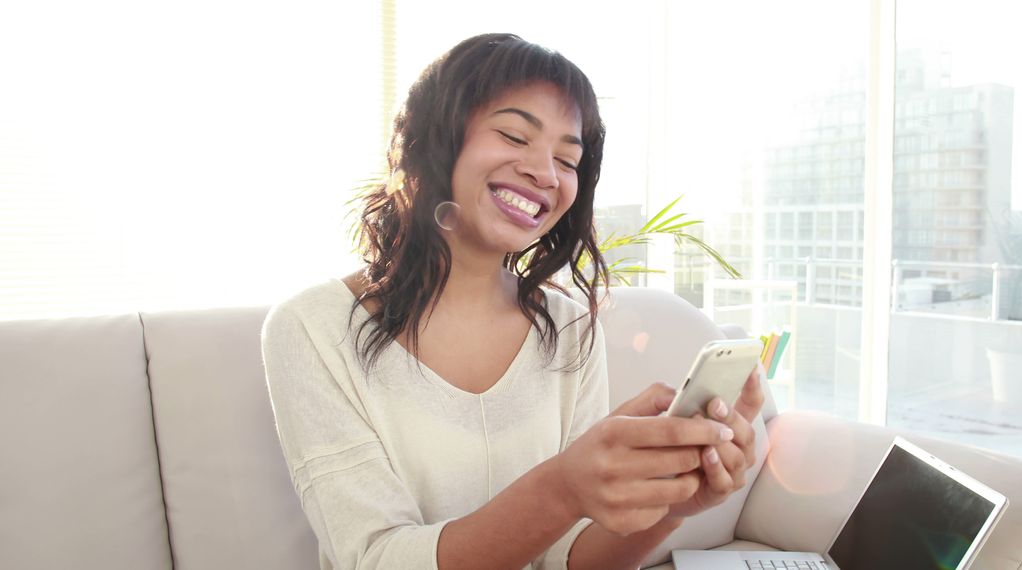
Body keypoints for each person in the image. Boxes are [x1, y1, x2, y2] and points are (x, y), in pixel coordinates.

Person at [260, 32, 765, 570]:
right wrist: (564, 488)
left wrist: (671, 505)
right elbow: (376, 558)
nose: (545, 174)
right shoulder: (312, 327)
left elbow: (571, 559)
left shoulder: (570, 327)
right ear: (433, 139)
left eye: (568, 160)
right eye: (513, 135)